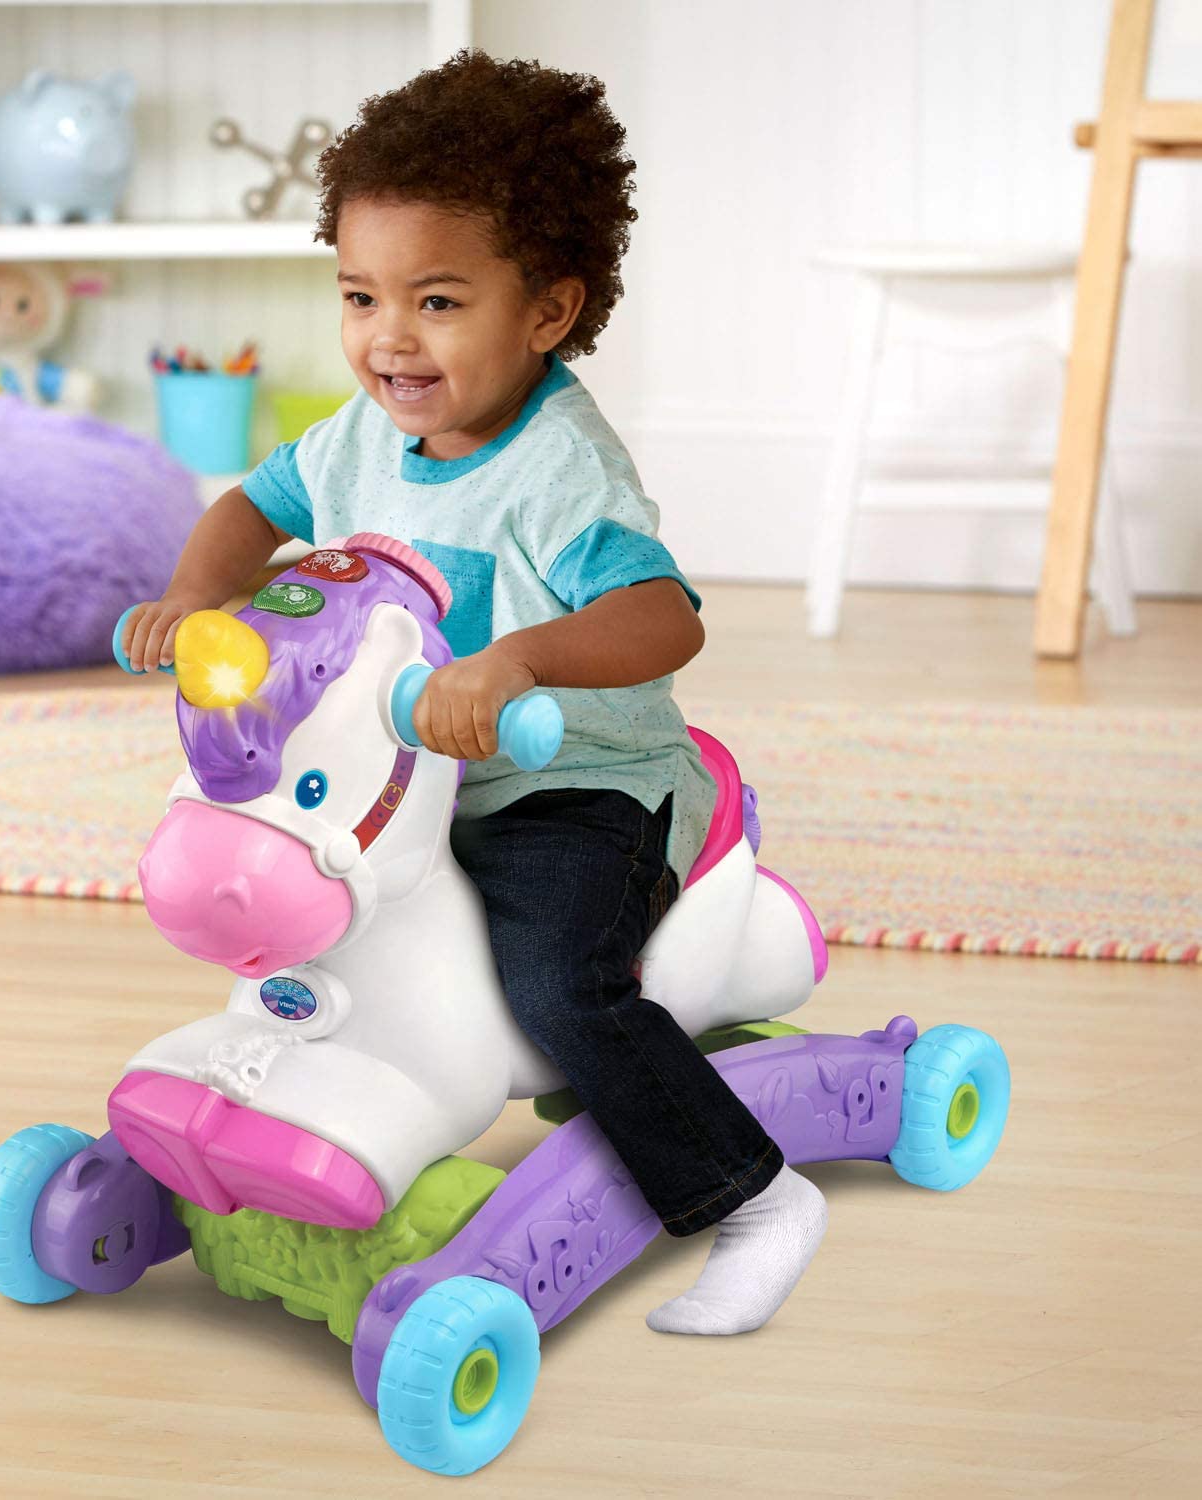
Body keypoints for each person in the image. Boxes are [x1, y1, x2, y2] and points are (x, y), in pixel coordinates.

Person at [122, 49, 826, 1335]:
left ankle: (753, 1198)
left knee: (555, 985)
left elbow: (664, 616)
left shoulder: (560, 470)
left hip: (571, 787)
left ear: (546, 312)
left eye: (438, 301)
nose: (389, 337)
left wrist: (518, 662)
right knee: (305, 896)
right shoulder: (358, 437)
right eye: (360, 296)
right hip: (409, 784)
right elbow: (245, 511)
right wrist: (192, 599)